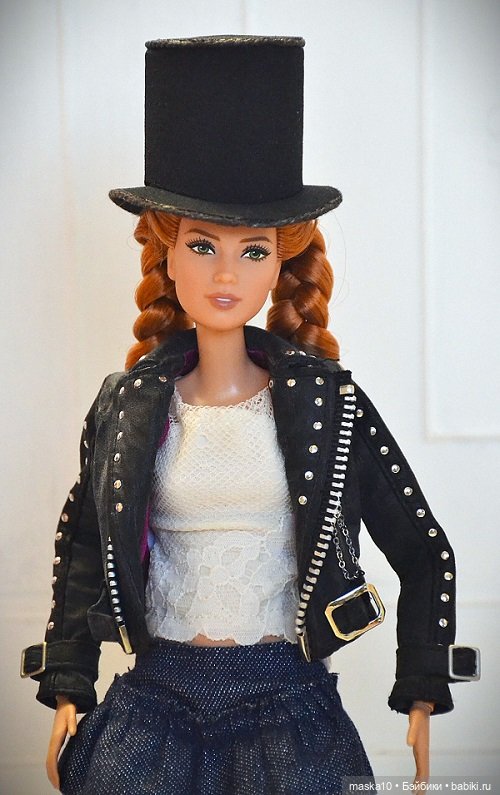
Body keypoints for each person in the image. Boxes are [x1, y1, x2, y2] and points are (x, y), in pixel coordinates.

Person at [20, 36, 479, 795]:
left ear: (281, 262)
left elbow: (423, 546)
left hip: (287, 708)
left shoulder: (328, 404)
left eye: (254, 250)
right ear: (167, 254)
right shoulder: (127, 405)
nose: (226, 273)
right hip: (152, 708)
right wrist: (68, 681)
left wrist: (424, 686)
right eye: (203, 245)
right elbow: (84, 546)